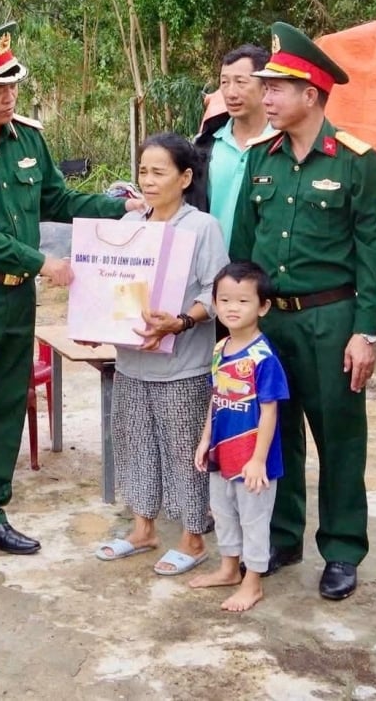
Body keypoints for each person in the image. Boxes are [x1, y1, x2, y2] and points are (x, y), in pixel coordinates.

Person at [0, 21, 143, 576]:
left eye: (12, 85)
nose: (8, 95)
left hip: (16, 301)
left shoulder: (28, 138)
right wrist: (42, 262)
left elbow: (55, 198)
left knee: (3, 405)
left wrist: (124, 208)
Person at [229, 22, 376, 601]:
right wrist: (242, 321)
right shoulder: (260, 161)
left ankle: (343, 548)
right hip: (272, 321)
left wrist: (364, 332)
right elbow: (243, 250)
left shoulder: (357, 162)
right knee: (275, 434)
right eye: (264, 86)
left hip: (332, 318)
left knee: (340, 438)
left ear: (312, 96)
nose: (264, 97)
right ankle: (281, 535)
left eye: (276, 88)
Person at [92, 132, 228, 575]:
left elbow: (215, 292)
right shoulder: (129, 229)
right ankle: (142, 528)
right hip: (132, 361)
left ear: (186, 177)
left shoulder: (201, 227)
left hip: (182, 364)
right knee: (134, 443)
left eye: (159, 172)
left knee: (184, 449)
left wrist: (183, 321)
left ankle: (192, 539)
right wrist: (94, 318)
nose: (148, 181)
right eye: (143, 172)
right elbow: (107, 285)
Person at [189, 261, 289, 611]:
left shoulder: (264, 358)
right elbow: (215, 399)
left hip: (252, 459)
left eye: (243, 301)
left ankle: (253, 581)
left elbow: (270, 411)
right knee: (224, 513)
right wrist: (205, 441)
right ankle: (229, 569)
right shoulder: (219, 350)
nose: (232, 308)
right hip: (221, 454)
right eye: (225, 299)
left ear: (263, 307)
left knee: (254, 520)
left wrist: (259, 459)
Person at [201, 45, 274, 250]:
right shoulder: (206, 146)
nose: (230, 93)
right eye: (224, 83)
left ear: (265, 87)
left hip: (260, 274)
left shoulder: (283, 146)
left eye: (241, 82)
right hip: (210, 270)